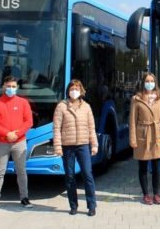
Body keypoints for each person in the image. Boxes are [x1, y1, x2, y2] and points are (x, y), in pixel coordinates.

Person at [0, 76, 33, 210]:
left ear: (17, 88)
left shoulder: (23, 102)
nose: (11, 89)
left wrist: (16, 134)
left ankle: (24, 197)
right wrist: (7, 134)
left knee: (21, 171)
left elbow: (29, 121)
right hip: (1, 142)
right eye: (8, 86)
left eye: (13, 86)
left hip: (19, 142)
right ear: (3, 87)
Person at [53, 79, 98, 216]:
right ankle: (73, 205)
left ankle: (91, 205)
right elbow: (56, 128)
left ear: (81, 90)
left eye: (77, 88)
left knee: (87, 174)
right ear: (68, 91)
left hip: (83, 145)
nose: (74, 91)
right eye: (72, 89)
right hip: (67, 146)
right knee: (70, 177)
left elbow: (91, 127)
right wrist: (58, 147)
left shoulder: (86, 107)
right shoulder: (61, 106)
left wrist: (94, 144)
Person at [129, 73, 160, 205]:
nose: (149, 83)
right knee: (143, 167)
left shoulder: (159, 97)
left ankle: (157, 193)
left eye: (152, 81)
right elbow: (133, 120)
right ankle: (146, 194)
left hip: (156, 134)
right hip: (143, 134)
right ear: (143, 82)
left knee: (157, 167)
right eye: (147, 81)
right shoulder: (136, 99)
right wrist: (133, 139)